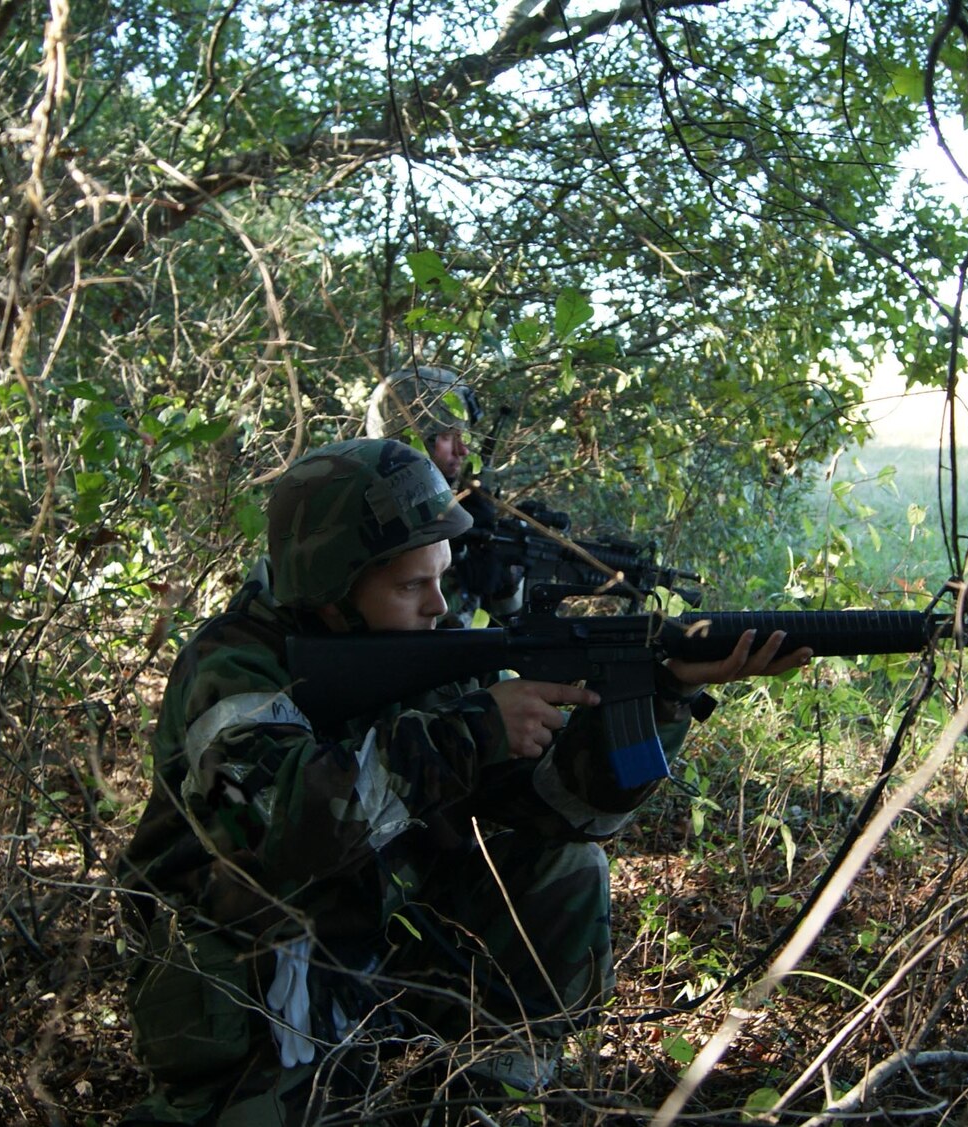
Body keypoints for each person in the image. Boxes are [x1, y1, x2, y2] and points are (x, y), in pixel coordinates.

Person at [115, 438, 807, 1126]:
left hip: (381, 934)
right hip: (243, 969)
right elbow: (286, 837)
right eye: (412, 584)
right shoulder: (230, 667)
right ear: (331, 585)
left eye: (442, 577)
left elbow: (563, 807)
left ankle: (491, 1099)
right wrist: (471, 731)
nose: (440, 605)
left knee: (564, 869)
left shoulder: (423, 652)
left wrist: (659, 691)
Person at [363, 365, 518, 626]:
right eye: (447, 436)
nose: (463, 450)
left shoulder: (447, 503)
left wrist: (505, 583)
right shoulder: (366, 508)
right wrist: (455, 565)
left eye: (462, 435)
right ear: (407, 436)